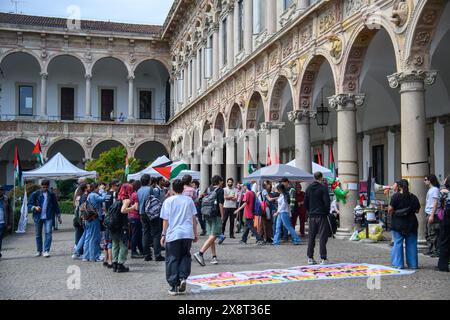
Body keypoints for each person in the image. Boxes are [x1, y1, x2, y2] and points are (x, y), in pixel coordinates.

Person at [160, 179, 199, 295]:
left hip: (173, 234)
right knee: (185, 256)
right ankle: (183, 277)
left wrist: (163, 234)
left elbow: (165, 220)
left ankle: (174, 285)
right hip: (187, 233)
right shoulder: (189, 201)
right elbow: (194, 219)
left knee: (172, 258)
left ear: (172, 189)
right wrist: (195, 234)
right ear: (183, 188)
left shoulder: (168, 201)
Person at [388, 179, 420, 270]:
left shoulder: (395, 197)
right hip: (412, 223)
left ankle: (398, 264)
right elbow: (417, 210)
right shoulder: (413, 197)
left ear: (399, 186)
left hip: (398, 223)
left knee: (398, 243)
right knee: (412, 244)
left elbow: (390, 210)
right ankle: (413, 264)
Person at [193, 175, 225, 266]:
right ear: (218, 181)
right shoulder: (220, 190)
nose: (222, 183)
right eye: (221, 181)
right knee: (215, 235)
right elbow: (220, 204)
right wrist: (222, 216)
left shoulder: (208, 189)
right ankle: (200, 253)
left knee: (211, 235)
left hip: (207, 214)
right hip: (216, 214)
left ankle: (214, 256)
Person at [28, 180, 61, 258]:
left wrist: (59, 216)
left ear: (48, 186)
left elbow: (56, 206)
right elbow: (29, 204)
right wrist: (35, 207)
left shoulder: (51, 194)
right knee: (38, 234)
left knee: (48, 233)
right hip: (38, 217)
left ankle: (46, 251)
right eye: (43, 187)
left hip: (48, 216)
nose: (45, 189)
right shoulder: (35, 194)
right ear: (41, 186)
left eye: (46, 187)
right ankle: (39, 251)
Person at [304, 172, 331, 265]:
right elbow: (327, 202)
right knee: (322, 237)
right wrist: (326, 212)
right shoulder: (323, 188)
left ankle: (310, 258)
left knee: (311, 237)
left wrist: (310, 211)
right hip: (321, 215)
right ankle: (323, 258)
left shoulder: (308, 188)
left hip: (312, 216)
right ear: (321, 177)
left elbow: (305, 203)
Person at [111, 183, 136, 273]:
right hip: (122, 226)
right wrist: (132, 208)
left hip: (114, 226)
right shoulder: (126, 200)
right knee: (123, 245)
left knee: (115, 245)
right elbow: (123, 210)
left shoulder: (118, 198)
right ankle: (120, 265)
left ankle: (114, 264)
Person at [83, 183, 107, 262]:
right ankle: (94, 256)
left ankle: (86, 256)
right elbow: (103, 198)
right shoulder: (94, 195)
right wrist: (103, 190)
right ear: (96, 188)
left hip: (88, 218)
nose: (99, 190)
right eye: (98, 188)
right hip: (94, 218)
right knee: (94, 238)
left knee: (88, 237)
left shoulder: (89, 195)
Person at [138, 174, 157, 261]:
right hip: (150, 212)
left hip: (141, 212)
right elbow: (154, 200)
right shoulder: (150, 189)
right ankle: (157, 254)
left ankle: (147, 254)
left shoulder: (139, 190)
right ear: (149, 181)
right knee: (155, 233)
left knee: (145, 233)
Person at [424, 174, 441, 257]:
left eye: (425, 179)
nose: (424, 181)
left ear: (430, 180)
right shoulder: (431, 189)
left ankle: (435, 251)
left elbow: (435, 203)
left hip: (432, 213)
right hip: (428, 213)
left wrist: (432, 215)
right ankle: (430, 249)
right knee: (428, 233)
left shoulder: (434, 190)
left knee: (433, 233)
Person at [437, 176, 450, 272]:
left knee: (444, 241)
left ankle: (443, 265)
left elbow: (439, 205)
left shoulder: (443, 192)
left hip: (446, 218)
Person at [220, 178, 238, 243]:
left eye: (231, 182)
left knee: (232, 221)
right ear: (227, 183)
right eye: (229, 182)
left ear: (233, 183)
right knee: (224, 220)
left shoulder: (235, 189)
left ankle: (231, 234)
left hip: (233, 207)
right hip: (226, 206)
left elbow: (236, 198)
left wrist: (228, 197)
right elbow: (224, 197)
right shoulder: (224, 189)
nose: (230, 183)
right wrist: (231, 197)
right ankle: (222, 233)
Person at [129, 180, 144, 259]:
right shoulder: (136, 195)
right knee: (135, 235)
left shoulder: (132, 194)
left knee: (137, 234)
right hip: (136, 216)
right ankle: (133, 252)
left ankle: (140, 250)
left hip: (131, 216)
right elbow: (137, 207)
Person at [0, 186, 12, 259]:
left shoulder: (6, 199)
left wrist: (10, 223)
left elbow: (10, 212)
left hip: (2, 222)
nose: (0, 192)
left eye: (1, 190)